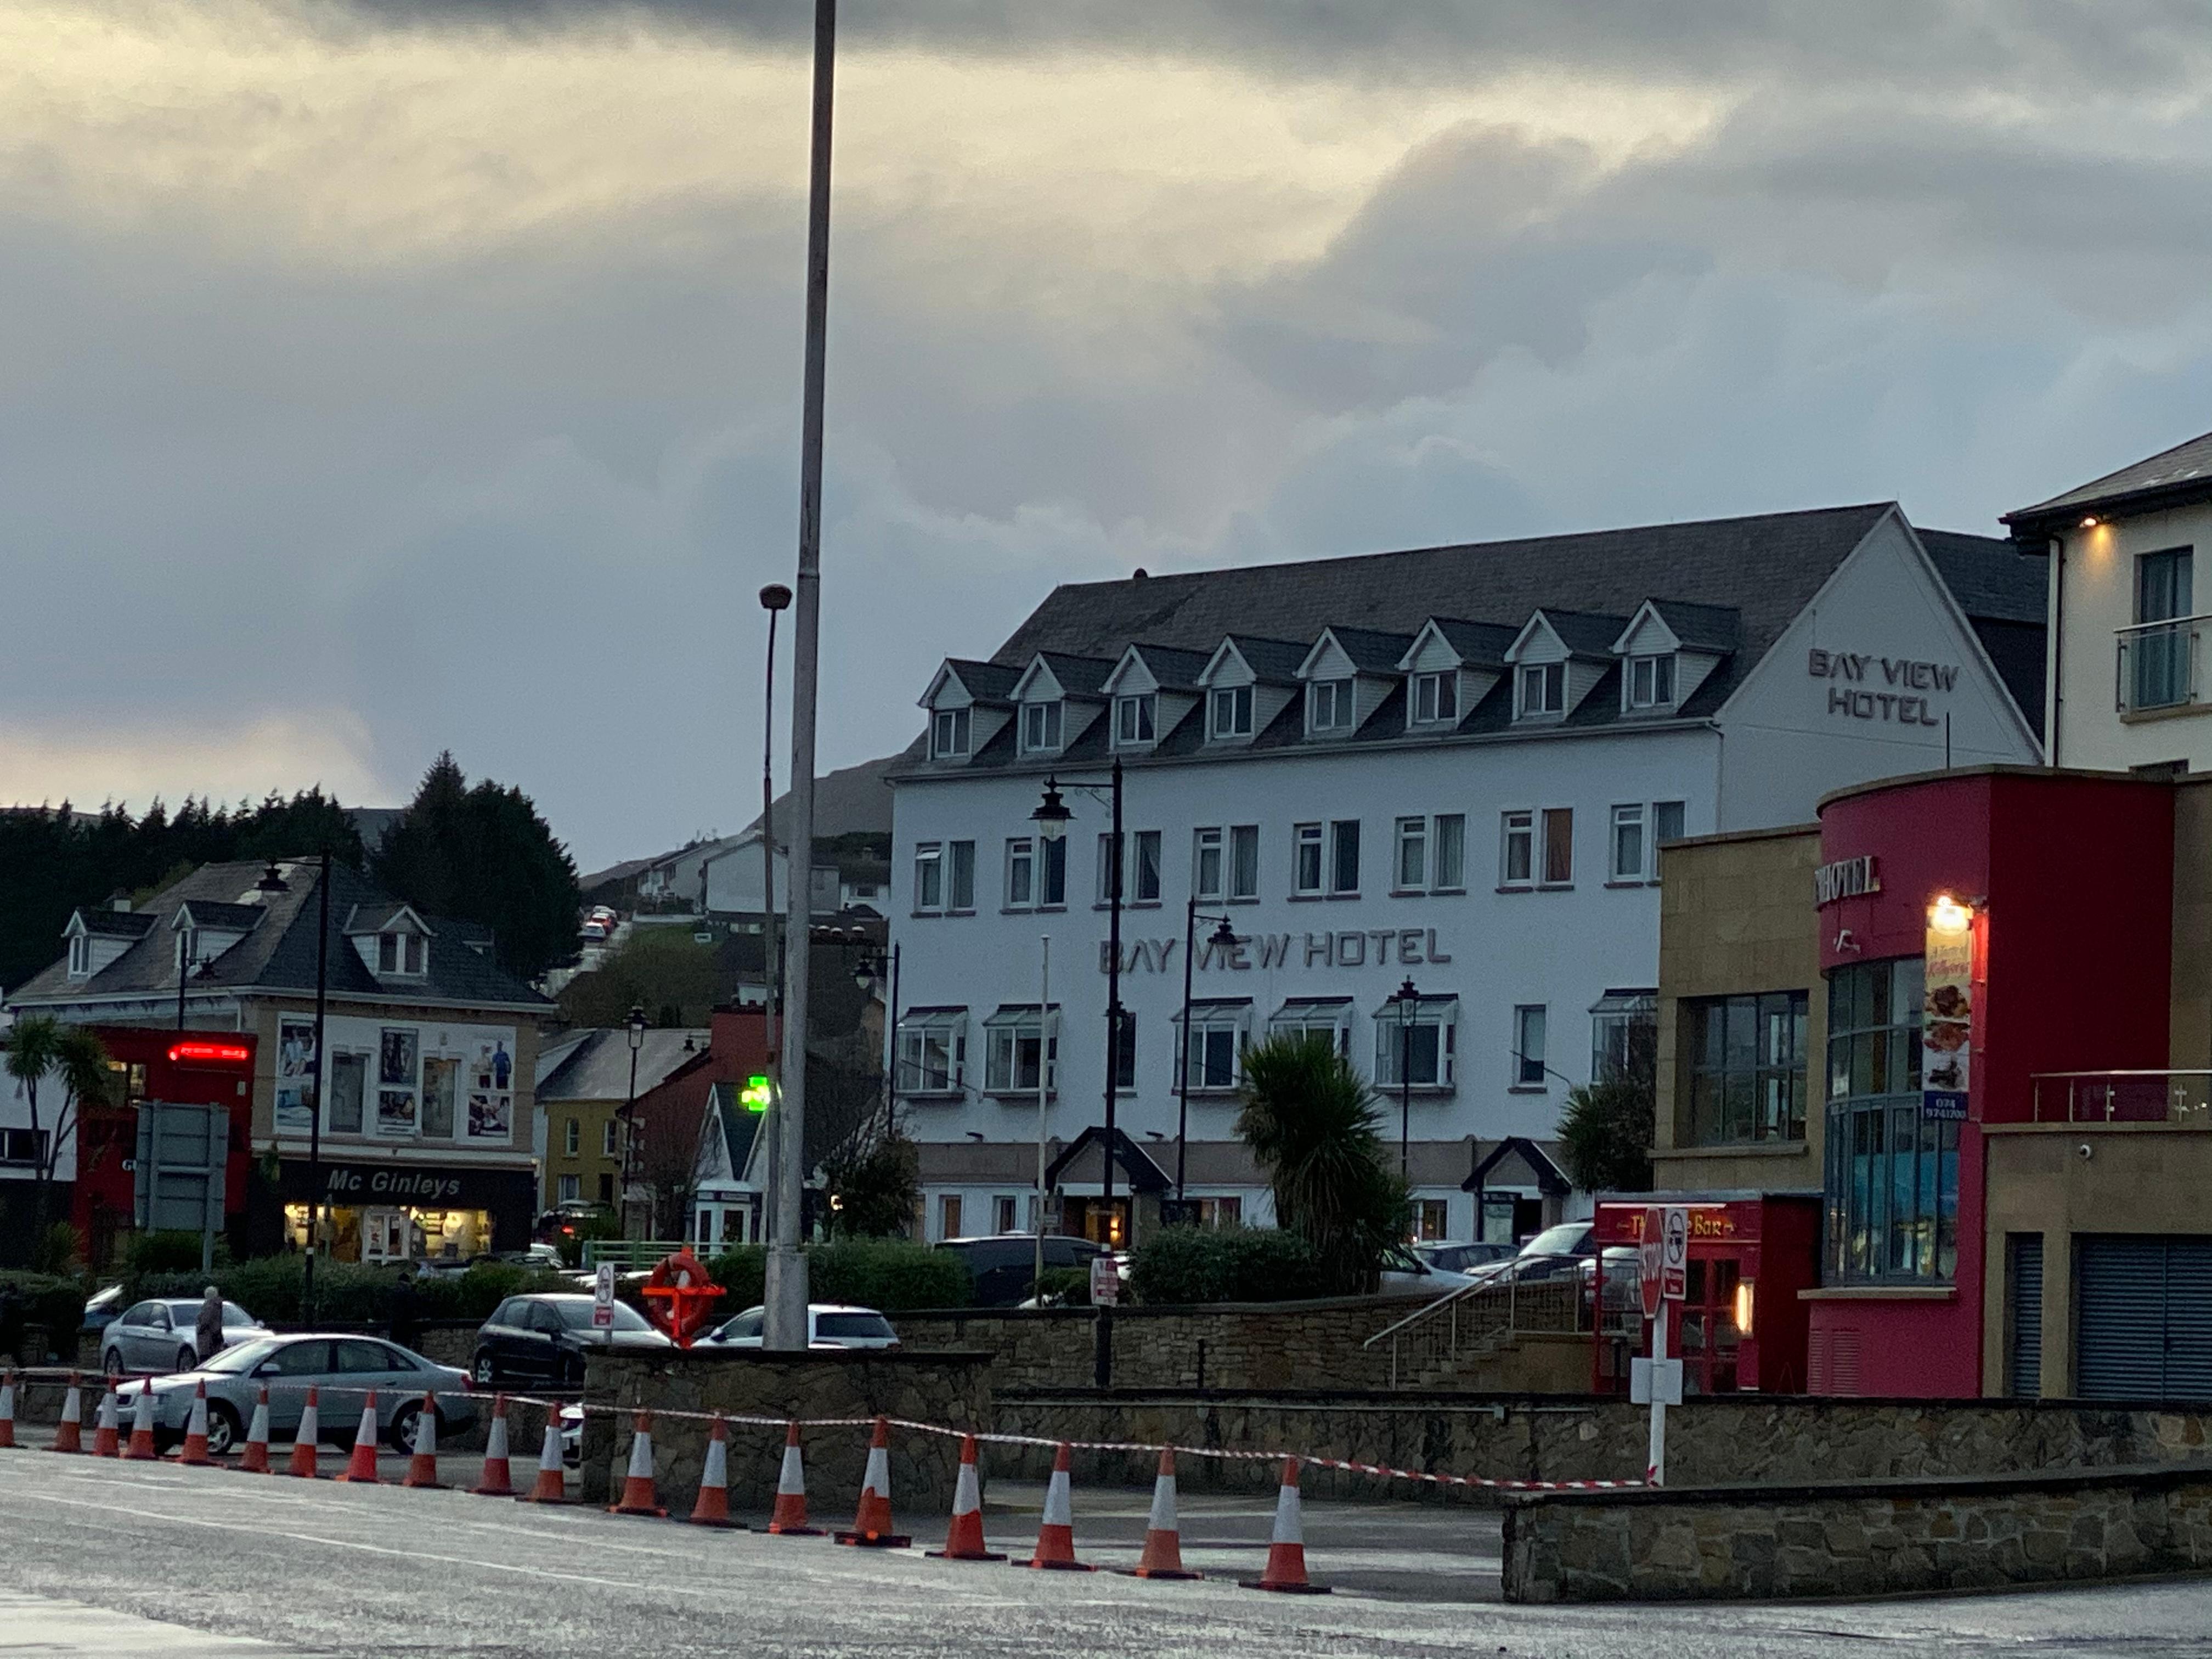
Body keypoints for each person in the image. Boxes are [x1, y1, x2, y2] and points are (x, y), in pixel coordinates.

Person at [194, 1285, 224, 1364]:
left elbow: (206, 1320)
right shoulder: (217, 1305)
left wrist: (200, 1329)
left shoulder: (210, 1305)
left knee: (206, 1361)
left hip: (208, 1338)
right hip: (214, 1335)